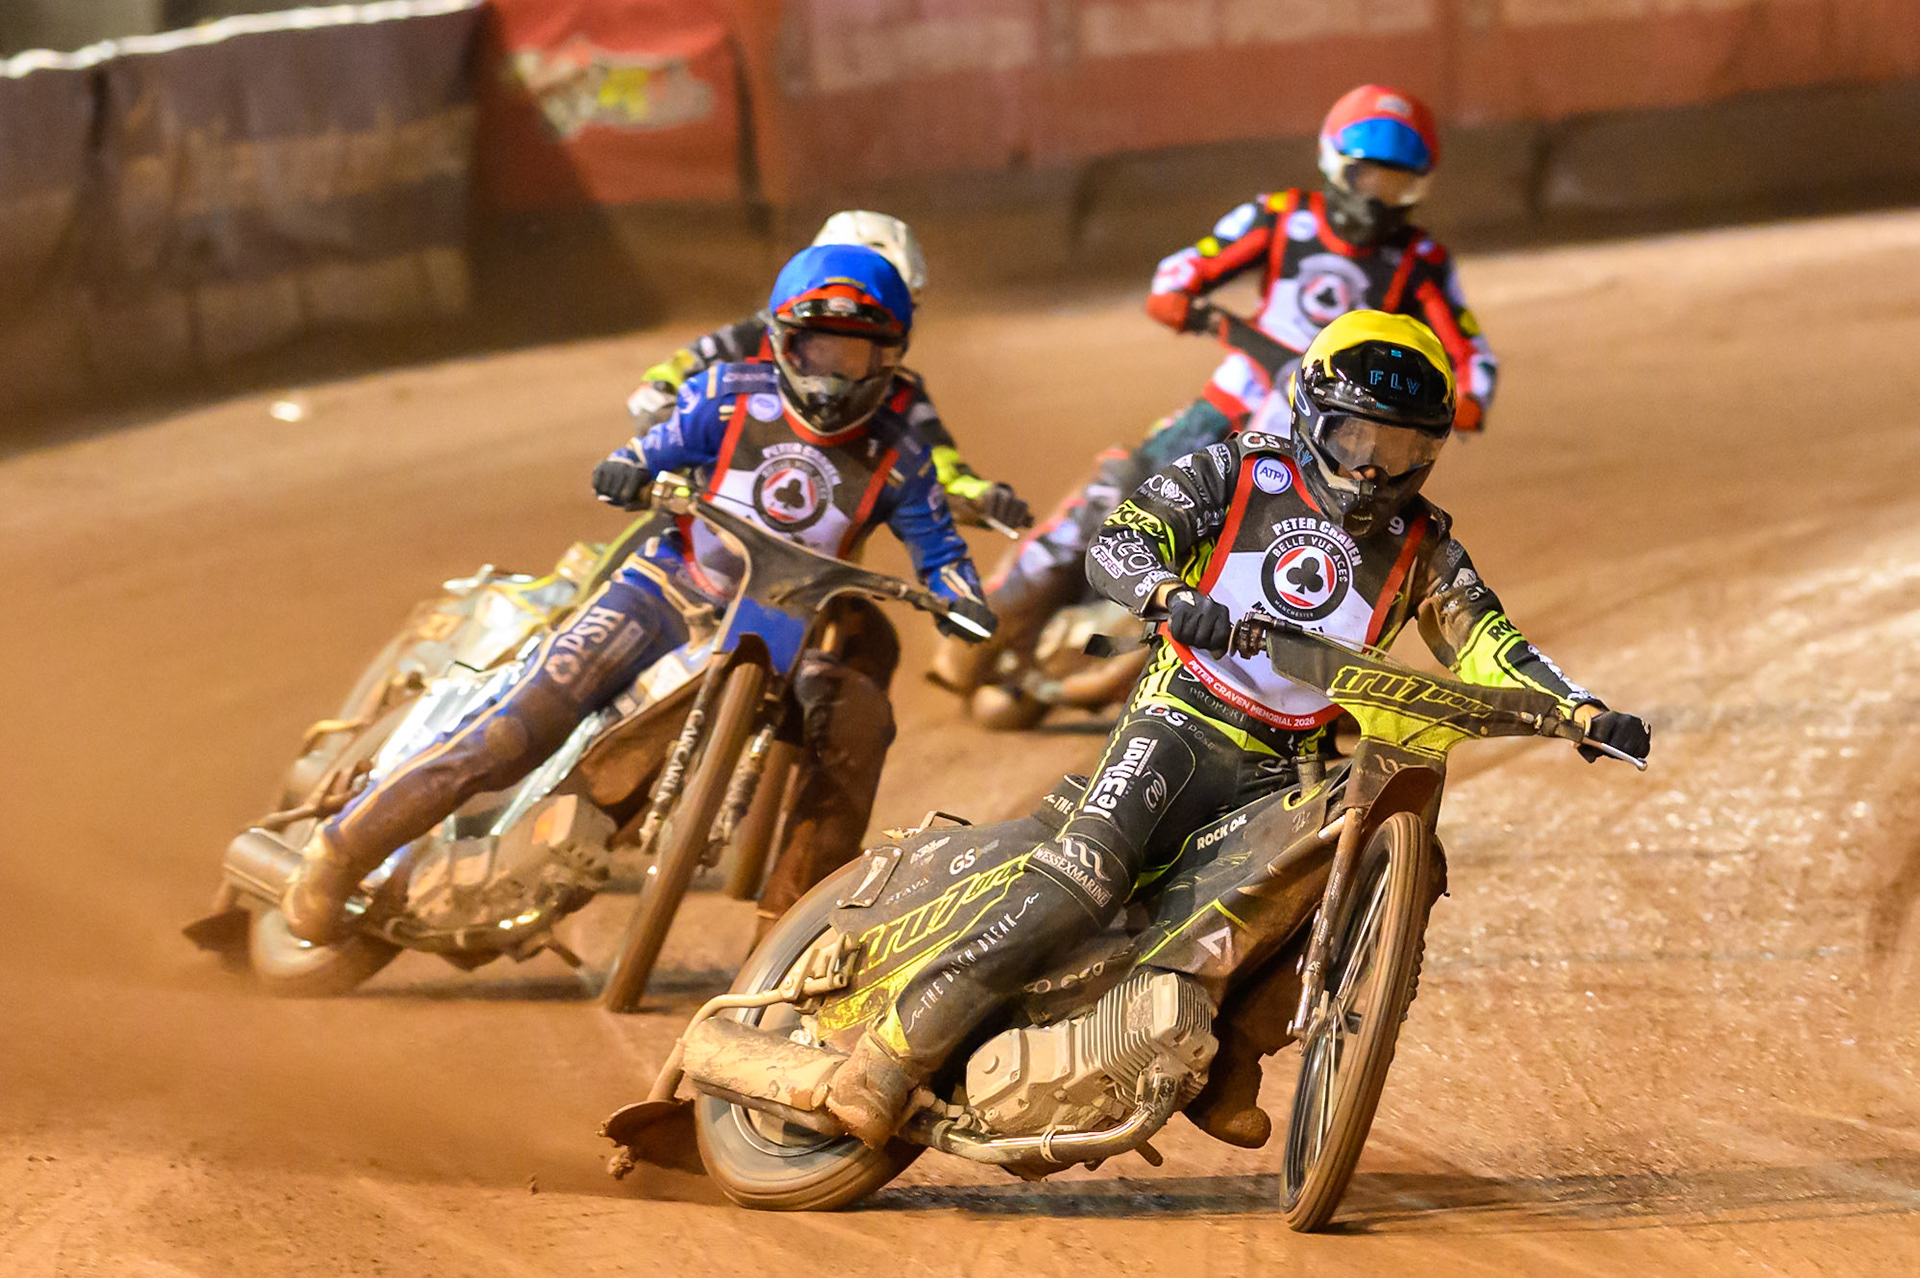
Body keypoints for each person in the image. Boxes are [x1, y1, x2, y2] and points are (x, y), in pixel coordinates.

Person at [825, 311, 1650, 1149]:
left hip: (1291, 765)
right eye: (1356, 438)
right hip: (1180, 718)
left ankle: (1230, 1060)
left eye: (1400, 450)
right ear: (1308, 414)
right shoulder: (1238, 472)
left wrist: (1578, 709)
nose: (1373, 468)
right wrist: (1165, 595)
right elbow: (1122, 543)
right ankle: (890, 1055)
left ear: (1430, 452)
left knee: (1352, 873)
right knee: (1087, 877)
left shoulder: (1427, 546)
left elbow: (1490, 643)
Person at [282, 245, 996, 945]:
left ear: (890, 357)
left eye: (856, 356)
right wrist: (626, 468)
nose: (835, 378)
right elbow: (649, 450)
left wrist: (960, 595)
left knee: (857, 727)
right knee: (518, 726)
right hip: (663, 592)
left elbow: (940, 551)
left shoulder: (901, 460)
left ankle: (784, 948)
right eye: (818, 352)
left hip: (786, 629)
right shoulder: (725, 397)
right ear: (782, 341)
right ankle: (342, 850)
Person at [932, 84, 1496, 725]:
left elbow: (1471, 352)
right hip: (1227, 409)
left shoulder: (1421, 261)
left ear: (1419, 187)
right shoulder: (1281, 216)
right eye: (1367, 176)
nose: (1375, 199)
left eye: (1395, 186)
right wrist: (1210, 319)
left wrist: (1468, 398)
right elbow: (1177, 276)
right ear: (1334, 164)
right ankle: (985, 624)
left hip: (1330, 443)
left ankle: (1250, 683)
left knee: (1318, 552)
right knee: (1114, 495)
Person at [626, 210, 1030, 533]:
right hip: (706, 513)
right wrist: (662, 399)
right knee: (627, 568)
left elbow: (938, 463)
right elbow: (676, 372)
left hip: (817, 551)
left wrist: (979, 495)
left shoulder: (901, 392)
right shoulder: (750, 340)